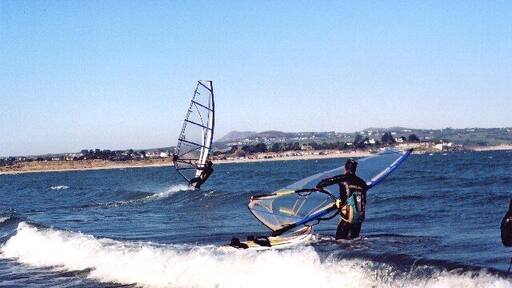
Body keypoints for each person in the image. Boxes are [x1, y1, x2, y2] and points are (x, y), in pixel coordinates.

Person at [316, 159, 368, 240]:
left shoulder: (343, 178)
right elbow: (364, 200)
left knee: (339, 241)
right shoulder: (362, 183)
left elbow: (326, 182)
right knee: (355, 241)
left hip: (347, 215)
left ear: (345, 169)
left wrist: (318, 186)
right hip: (359, 216)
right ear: (355, 169)